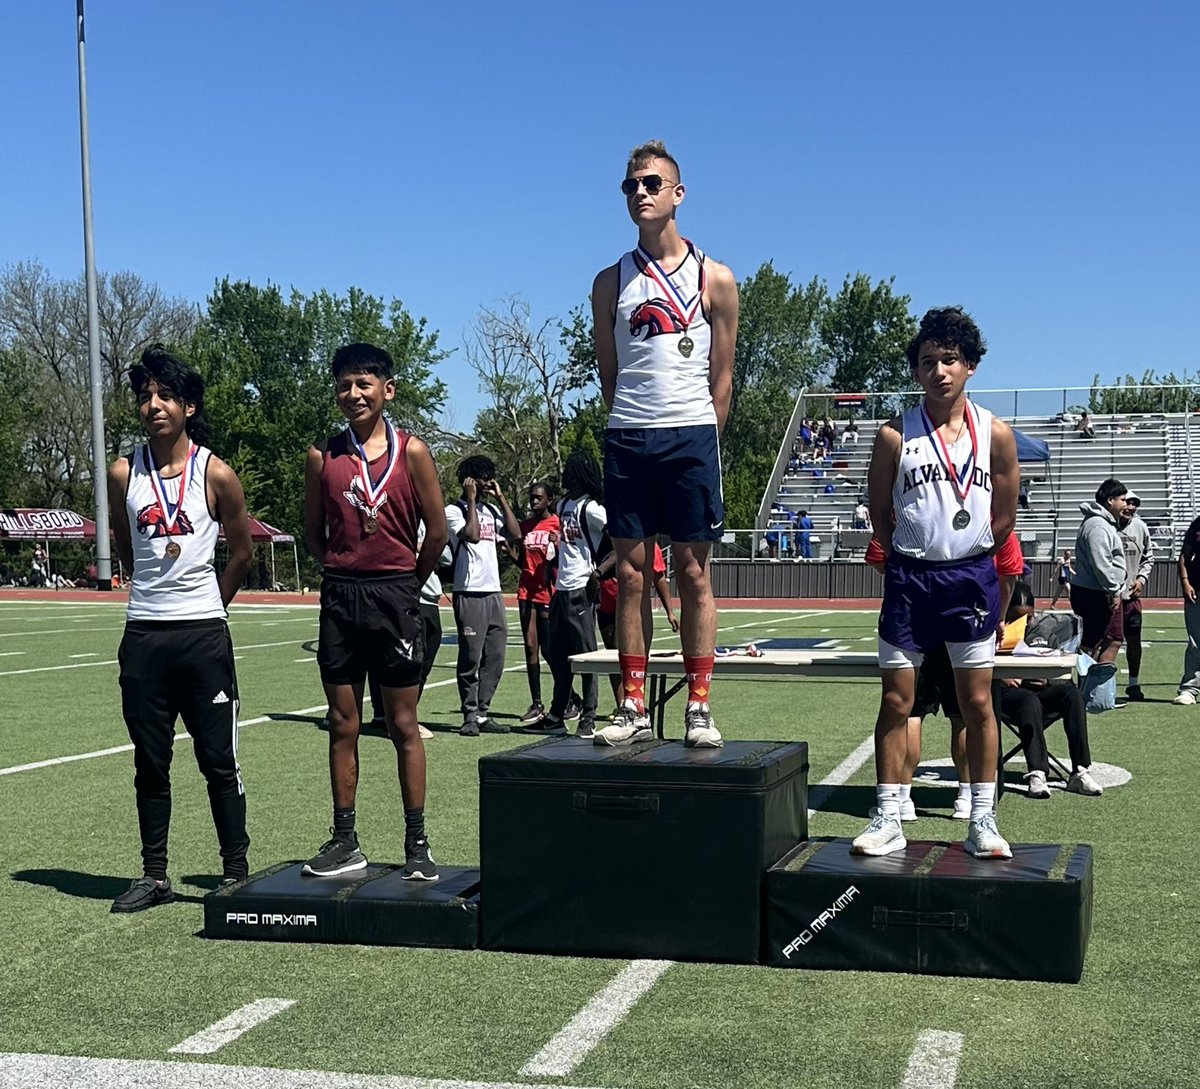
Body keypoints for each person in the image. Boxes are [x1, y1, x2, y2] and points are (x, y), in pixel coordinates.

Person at [852, 306, 1019, 860]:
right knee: (897, 700)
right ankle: (887, 813)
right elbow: (880, 511)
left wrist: (969, 554)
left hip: (969, 579)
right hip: (909, 579)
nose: (940, 371)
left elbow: (1004, 517)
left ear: (970, 365)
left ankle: (983, 818)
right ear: (916, 371)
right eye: (928, 362)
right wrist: (912, 554)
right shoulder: (894, 434)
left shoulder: (995, 433)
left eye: (950, 359)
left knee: (977, 702)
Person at [591, 139, 739, 748]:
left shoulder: (716, 277)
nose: (640, 194)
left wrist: (703, 434)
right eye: (631, 186)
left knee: (693, 574)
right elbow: (609, 372)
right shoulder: (608, 282)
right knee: (630, 575)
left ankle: (698, 704)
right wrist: (631, 420)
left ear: (678, 193)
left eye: (652, 183)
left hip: (691, 436)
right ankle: (632, 703)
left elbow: (723, 377)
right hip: (629, 433)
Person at [107, 344, 254, 912]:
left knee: (218, 758)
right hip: (144, 636)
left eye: (165, 395)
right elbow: (126, 546)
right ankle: (154, 874)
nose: (154, 405)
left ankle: (235, 870)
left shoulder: (215, 472)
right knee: (150, 759)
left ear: (188, 406)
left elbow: (241, 553)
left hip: (202, 638)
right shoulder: (124, 472)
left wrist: (209, 608)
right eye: (145, 396)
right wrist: (155, 597)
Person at [302, 342, 449, 881]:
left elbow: (436, 532)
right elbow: (315, 535)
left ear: (387, 390)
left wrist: (408, 578)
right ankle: (346, 840)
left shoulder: (413, 453)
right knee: (344, 722)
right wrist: (343, 568)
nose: (354, 393)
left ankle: (417, 843)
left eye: (364, 383)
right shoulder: (323, 455)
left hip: (395, 596)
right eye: (344, 384)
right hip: (341, 598)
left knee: (403, 723)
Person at [865, 526, 1026, 820]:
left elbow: (879, 556)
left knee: (909, 713)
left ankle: (902, 798)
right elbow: (1010, 572)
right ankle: (966, 796)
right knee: (963, 714)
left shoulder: (910, 509)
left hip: (917, 619)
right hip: (967, 621)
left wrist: (905, 581)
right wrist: (998, 616)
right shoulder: (987, 514)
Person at [997, 583, 1103, 798]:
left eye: (1029, 616)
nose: (1024, 622)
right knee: (1028, 700)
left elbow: (1057, 667)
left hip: (1039, 691)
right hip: (1007, 695)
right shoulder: (992, 634)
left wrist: (1047, 680)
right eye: (1017, 616)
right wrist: (1001, 676)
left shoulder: (1043, 632)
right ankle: (1037, 772)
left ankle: (1080, 771)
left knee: (1071, 695)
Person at [532, 452, 608, 738]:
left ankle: (589, 717)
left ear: (580, 474)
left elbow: (614, 538)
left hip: (580, 587)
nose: (564, 474)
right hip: (561, 588)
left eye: (569, 470)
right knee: (556, 653)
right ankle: (556, 712)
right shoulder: (563, 504)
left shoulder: (591, 508)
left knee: (587, 656)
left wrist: (599, 572)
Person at [445, 456, 521, 736]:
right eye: (484, 478)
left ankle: (483, 713)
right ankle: (469, 714)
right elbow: (472, 535)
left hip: (493, 592)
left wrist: (500, 498)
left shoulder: (491, 510)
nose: (489, 482)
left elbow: (515, 534)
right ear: (470, 480)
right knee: (471, 657)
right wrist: (472, 501)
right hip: (469, 591)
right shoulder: (453, 510)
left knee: (496, 655)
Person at [597, 542, 678, 711]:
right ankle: (622, 704)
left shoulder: (649, 545)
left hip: (632, 608)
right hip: (606, 604)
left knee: (630, 654)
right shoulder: (605, 541)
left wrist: (670, 611)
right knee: (612, 657)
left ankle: (635, 700)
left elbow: (659, 578)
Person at [1070, 478, 1127, 665]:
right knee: (1105, 640)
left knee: (1100, 640)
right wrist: (1113, 590)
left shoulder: (1101, 523)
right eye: (1122, 500)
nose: (1125, 505)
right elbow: (1101, 562)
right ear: (1110, 500)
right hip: (1095, 593)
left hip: (1095, 591)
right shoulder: (1098, 525)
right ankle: (1093, 689)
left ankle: (1091, 688)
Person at [516, 482, 560, 725]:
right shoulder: (526, 526)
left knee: (549, 649)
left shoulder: (557, 523)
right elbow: (522, 559)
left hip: (547, 593)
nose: (534, 502)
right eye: (531, 497)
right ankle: (536, 703)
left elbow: (567, 557)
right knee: (530, 646)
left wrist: (559, 542)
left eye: (538, 498)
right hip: (526, 591)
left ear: (548, 499)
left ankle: (567, 696)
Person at [1118, 490, 1154, 701]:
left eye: (1134, 504)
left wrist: (1141, 579)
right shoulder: (1106, 527)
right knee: (1102, 643)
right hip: (1107, 597)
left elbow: (1148, 557)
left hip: (1131, 597)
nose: (1131, 507)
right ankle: (1096, 685)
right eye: (1127, 502)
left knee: (1134, 641)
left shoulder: (1140, 527)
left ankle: (1133, 683)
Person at [1175, 510, 1200, 705]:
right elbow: (1185, 555)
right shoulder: (1196, 525)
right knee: (1195, 641)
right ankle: (1190, 687)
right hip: (1197, 590)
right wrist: (1185, 582)